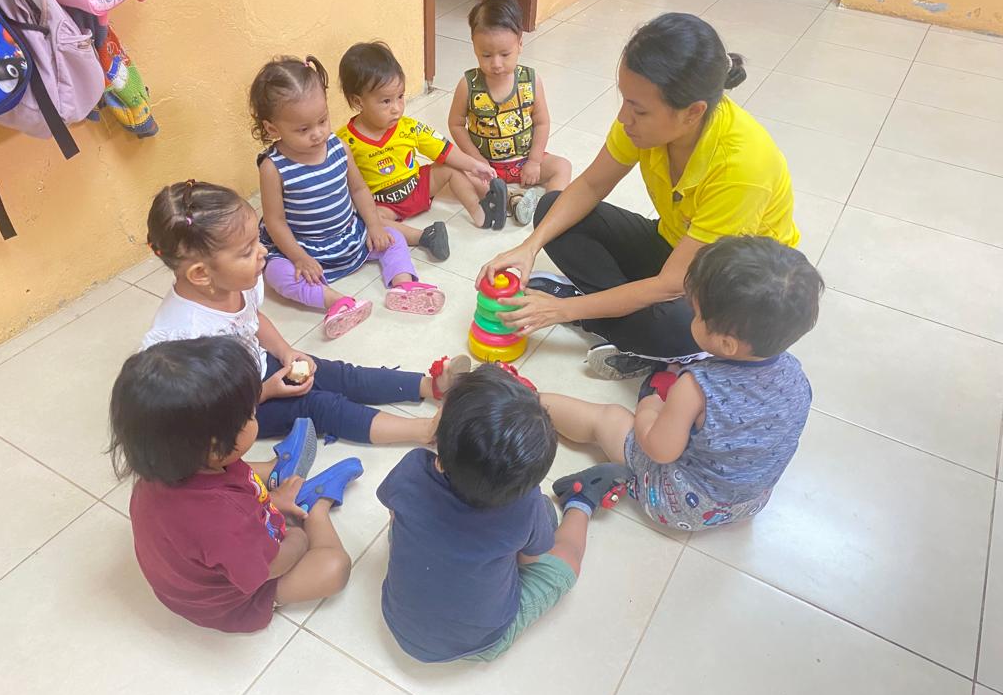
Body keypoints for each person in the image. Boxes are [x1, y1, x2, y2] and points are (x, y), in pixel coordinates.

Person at [479, 12, 800, 379]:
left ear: (693, 113)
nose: (623, 117)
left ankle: (616, 323)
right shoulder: (641, 124)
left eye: (639, 109)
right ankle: (619, 322)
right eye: (625, 100)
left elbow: (670, 284)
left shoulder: (742, 168)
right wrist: (529, 247)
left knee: (680, 327)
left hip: (727, 289)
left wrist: (563, 311)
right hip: (676, 247)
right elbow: (590, 185)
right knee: (553, 210)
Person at [142, 179, 471, 449]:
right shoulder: (183, 338)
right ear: (201, 274)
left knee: (341, 375)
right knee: (322, 406)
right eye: (247, 251)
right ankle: (426, 431)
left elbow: (252, 321)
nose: (263, 252)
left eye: (257, 242)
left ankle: (432, 386)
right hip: (240, 408)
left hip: (258, 368)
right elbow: (208, 409)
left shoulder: (232, 283)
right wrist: (267, 391)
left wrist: (286, 351)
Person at [539, 236, 823, 531]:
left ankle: (530, 401)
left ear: (727, 344)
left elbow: (659, 450)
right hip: (751, 501)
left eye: (696, 314)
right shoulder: (796, 374)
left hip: (684, 505)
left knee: (608, 418)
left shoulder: (695, 388)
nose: (691, 316)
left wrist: (649, 406)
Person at [377, 364, 632, 663]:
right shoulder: (525, 506)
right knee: (565, 562)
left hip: (398, 619)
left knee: (408, 524)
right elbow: (529, 563)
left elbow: (394, 517)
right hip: (481, 642)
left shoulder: (412, 469)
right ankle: (581, 501)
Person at [109, 336, 364, 632]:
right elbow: (271, 567)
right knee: (334, 568)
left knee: (241, 477)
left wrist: (271, 502)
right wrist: (297, 539)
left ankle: (276, 477)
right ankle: (315, 508)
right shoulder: (223, 518)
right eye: (249, 415)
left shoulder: (166, 465)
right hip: (229, 603)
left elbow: (222, 505)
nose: (255, 417)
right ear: (214, 448)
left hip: (195, 574)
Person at [250, 55, 446, 336]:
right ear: (272, 129)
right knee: (276, 274)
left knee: (393, 237)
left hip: (349, 235)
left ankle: (404, 286)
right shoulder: (273, 167)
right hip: (305, 247)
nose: (318, 134)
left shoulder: (338, 147)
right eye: (303, 129)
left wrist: (374, 226)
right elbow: (275, 222)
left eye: (322, 120)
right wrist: (299, 257)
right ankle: (338, 302)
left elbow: (358, 189)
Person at [336, 41, 505, 259]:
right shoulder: (344, 142)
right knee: (370, 220)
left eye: (400, 97)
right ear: (358, 102)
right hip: (385, 205)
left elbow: (445, 150)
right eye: (386, 101)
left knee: (450, 169)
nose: (397, 108)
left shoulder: (409, 127)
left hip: (417, 187)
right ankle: (425, 237)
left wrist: (475, 166)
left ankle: (480, 213)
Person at [448, 0, 572, 226]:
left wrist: (534, 161)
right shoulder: (468, 85)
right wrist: (476, 160)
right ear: (474, 47)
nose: (496, 64)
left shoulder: (531, 81)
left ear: (520, 44)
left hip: (523, 159)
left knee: (562, 167)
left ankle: (548, 208)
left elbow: (542, 122)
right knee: (456, 175)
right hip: (486, 166)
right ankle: (511, 201)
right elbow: (455, 124)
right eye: (486, 55)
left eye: (505, 54)